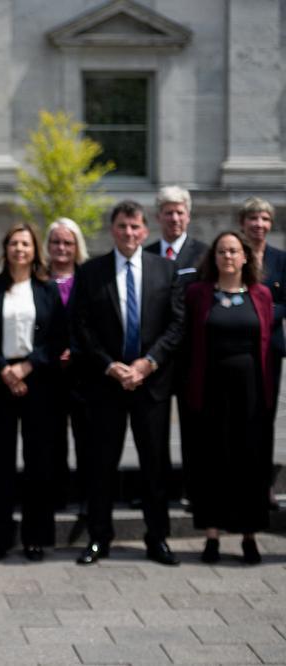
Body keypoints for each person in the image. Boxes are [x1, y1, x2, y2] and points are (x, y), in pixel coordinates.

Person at [70, 200, 184, 566]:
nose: (129, 233)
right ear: (112, 230)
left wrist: (147, 364)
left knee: (155, 464)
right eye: (122, 226)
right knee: (102, 465)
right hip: (106, 385)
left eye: (135, 227)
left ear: (145, 231)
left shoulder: (166, 270)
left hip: (151, 385)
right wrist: (110, 366)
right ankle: (99, 537)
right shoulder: (91, 272)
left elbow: (176, 324)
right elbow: (82, 326)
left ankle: (157, 538)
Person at [0, 223, 66, 561]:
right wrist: (4, 369)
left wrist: (27, 367)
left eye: (25, 243)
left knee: (38, 460)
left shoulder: (47, 290)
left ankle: (35, 537)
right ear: (5, 249)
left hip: (38, 381)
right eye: (14, 243)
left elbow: (57, 338)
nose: (19, 249)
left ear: (34, 250)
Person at [183, 232, 273, 564]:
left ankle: (249, 536)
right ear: (214, 258)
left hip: (251, 392)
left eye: (233, 251)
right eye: (221, 251)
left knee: (249, 462)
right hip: (209, 392)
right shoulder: (198, 294)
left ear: (245, 257)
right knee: (211, 461)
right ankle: (211, 536)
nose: (228, 257)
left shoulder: (261, 295)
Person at [144, 186, 208, 506]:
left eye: (180, 211)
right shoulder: (148, 253)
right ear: (158, 217)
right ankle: (157, 489)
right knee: (153, 431)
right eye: (168, 212)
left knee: (194, 427)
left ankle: (193, 490)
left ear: (188, 215)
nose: (174, 218)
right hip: (157, 356)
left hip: (192, 357)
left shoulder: (204, 254)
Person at [238, 197, 286, 512]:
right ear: (243, 223)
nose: (259, 224)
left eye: (264, 219)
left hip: (269, 350)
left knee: (264, 417)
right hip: (235, 348)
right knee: (235, 417)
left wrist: (260, 311)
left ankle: (263, 486)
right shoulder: (231, 253)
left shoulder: (280, 259)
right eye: (253, 218)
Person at [45, 218, 89, 510]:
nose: (62, 248)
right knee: (51, 439)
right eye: (56, 242)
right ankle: (56, 494)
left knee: (86, 437)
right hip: (47, 372)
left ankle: (86, 496)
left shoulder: (89, 278)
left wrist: (76, 351)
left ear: (77, 247)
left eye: (68, 243)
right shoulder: (36, 279)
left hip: (83, 372)